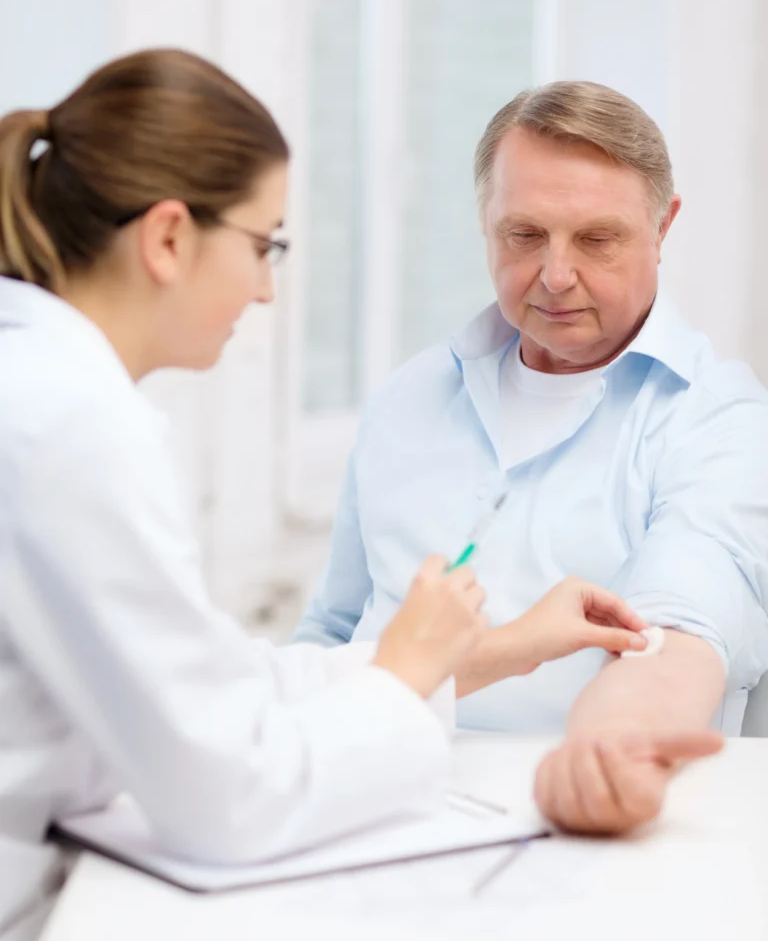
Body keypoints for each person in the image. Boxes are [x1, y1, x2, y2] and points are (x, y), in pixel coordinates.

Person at [0, 51, 657, 941]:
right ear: (166, 238)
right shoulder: (71, 424)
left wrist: (474, 651)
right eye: (263, 244)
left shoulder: (40, 384)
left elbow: (217, 685)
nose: (267, 289)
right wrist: (402, 671)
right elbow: (232, 798)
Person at [295, 80, 766, 835]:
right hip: (366, 802)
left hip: (585, 817)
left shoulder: (718, 421)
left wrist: (612, 748)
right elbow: (335, 626)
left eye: (597, 239)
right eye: (523, 235)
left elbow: (678, 637)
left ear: (663, 225)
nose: (554, 274)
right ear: (485, 222)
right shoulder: (406, 398)